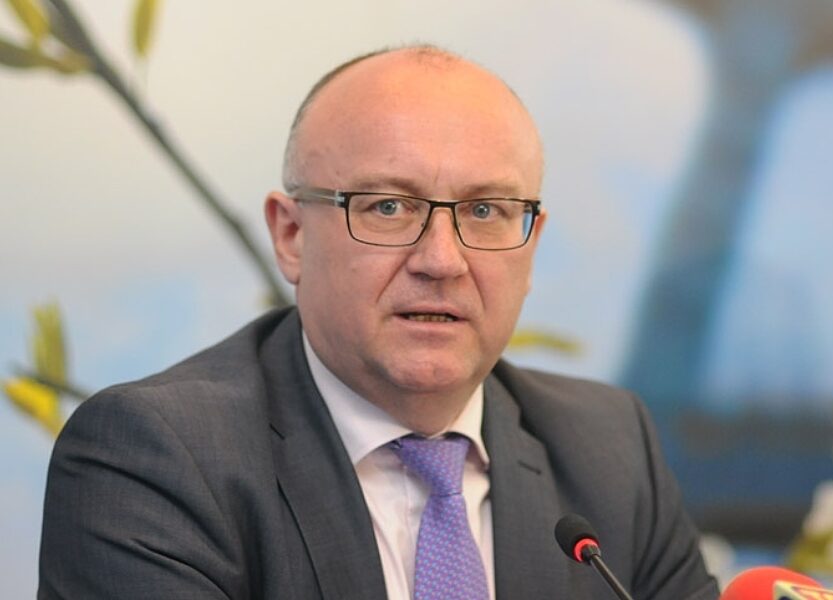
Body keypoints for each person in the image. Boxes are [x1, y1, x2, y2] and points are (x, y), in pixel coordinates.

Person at [38, 45, 719, 599]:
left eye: (486, 212)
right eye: (389, 207)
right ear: (291, 236)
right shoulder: (156, 459)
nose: (441, 260)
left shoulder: (609, 450)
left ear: (531, 247)